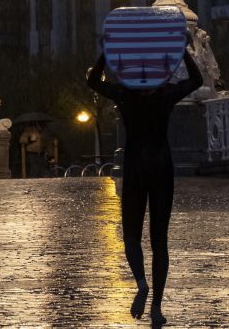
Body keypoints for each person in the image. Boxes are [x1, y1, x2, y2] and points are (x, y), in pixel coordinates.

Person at [86, 38, 203, 326]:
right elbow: (197, 79)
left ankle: (141, 283)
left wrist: (107, 52)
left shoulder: (125, 95)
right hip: (162, 166)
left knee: (131, 237)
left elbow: (92, 81)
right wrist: (184, 49)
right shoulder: (165, 94)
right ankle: (157, 308)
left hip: (136, 165)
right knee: (159, 241)